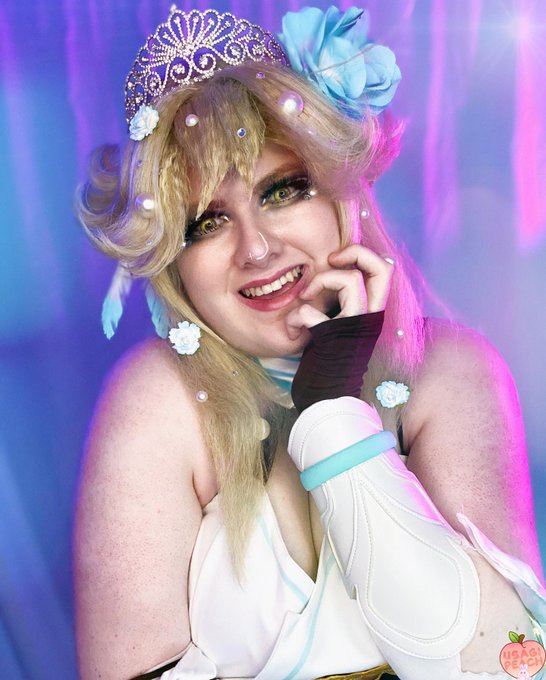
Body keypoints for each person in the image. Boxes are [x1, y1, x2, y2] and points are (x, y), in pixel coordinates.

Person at [73, 6, 546, 680]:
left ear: (341, 194)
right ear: (174, 261)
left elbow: (510, 665)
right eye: (207, 223)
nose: (257, 248)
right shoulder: (157, 398)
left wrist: (331, 418)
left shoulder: (450, 371)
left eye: (282, 191)